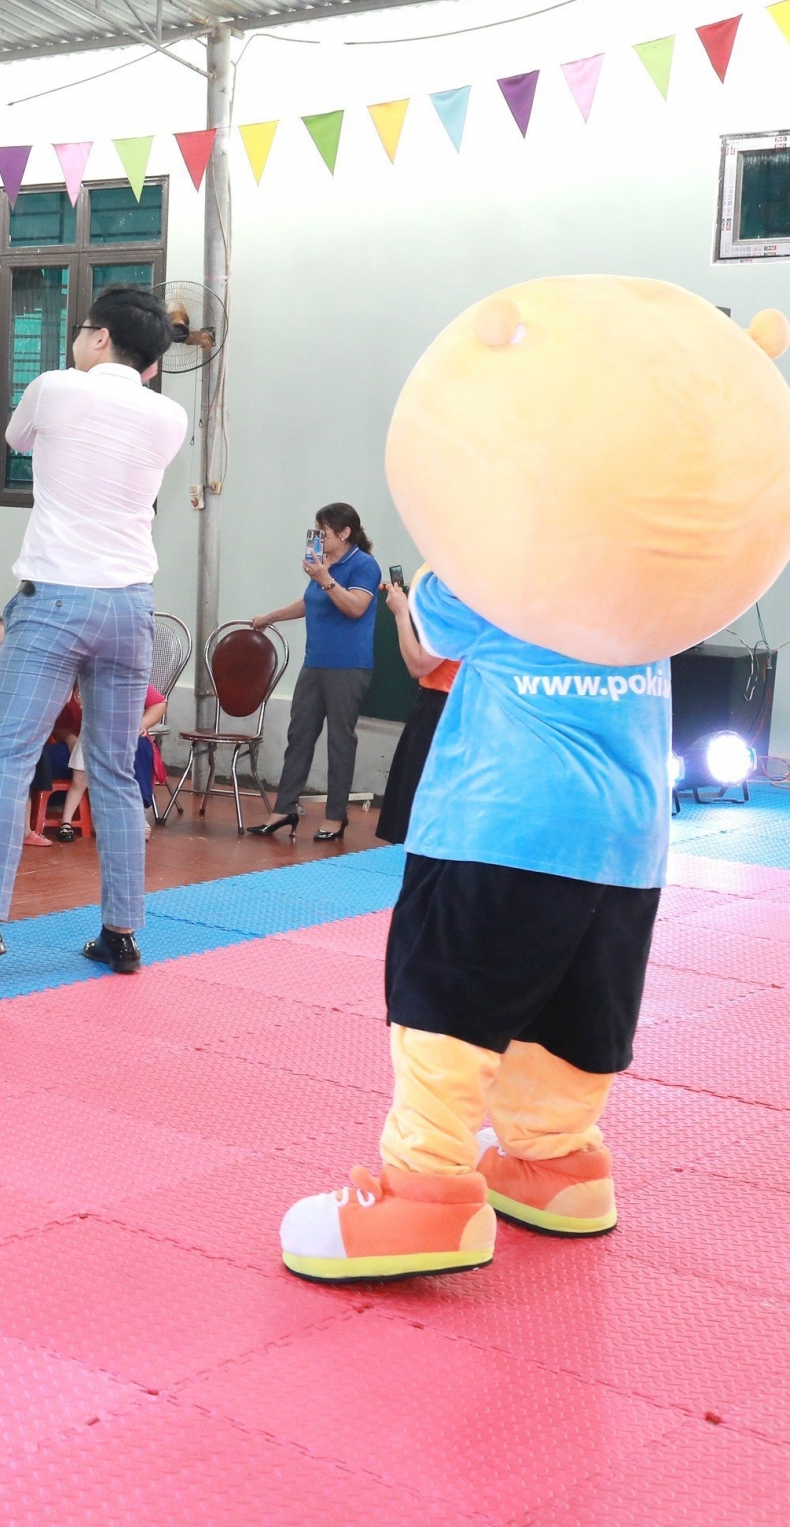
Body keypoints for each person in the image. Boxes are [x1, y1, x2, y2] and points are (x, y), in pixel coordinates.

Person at [280, 278, 790, 1281]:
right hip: (627, 844)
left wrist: (413, 593)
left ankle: (421, 1190)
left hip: (498, 826)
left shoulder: (496, 567)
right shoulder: (661, 578)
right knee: (574, 1011)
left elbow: (425, 655)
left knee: (445, 1000)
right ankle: (553, 1166)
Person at [0, 286, 185, 985]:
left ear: (97, 339)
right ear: (151, 363)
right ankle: (122, 933)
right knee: (117, 771)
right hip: (131, 608)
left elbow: (14, 439)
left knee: (6, 761)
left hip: (58, 599)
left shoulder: (57, 387)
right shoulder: (170, 414)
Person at [249, 503, 382, 842]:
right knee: (300, 735)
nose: (319, 536)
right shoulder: (323, 564)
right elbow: (310, 602)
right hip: (315, 663)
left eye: (324, 531)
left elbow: (355, 607)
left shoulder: (364, 566)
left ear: (345, 532)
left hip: (348, 666)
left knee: (340, 741)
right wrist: (270, 616)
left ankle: (336, 818)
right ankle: (284, 810)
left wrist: (326, 580)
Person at [373, 573, 457, 846]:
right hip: (434, 702)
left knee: (424, 797)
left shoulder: (456, 617)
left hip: (443, 709)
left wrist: (401, 614)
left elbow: (418, 665)